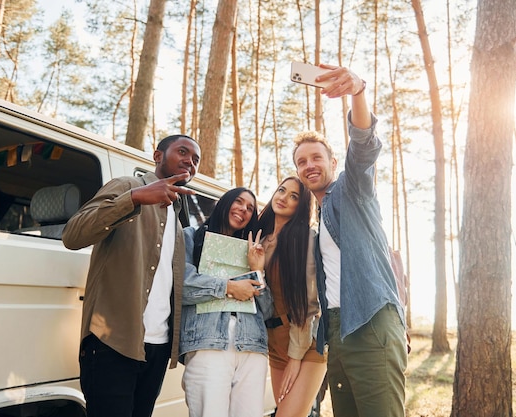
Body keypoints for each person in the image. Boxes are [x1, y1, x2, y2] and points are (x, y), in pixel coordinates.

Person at [292, 64, 408, 417]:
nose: (308, 165)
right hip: (337, 332)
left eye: (316, 158)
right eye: (300, 162)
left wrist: (357, 91)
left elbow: (363, 146)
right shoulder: (318, 223)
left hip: (371, 321)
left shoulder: (351, 189)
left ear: (332, 161)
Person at [62, 134, 201, 417]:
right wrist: (134, 198)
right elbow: (73, 235)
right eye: (183, 152)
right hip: (112, 342)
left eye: (196, 159)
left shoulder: (177, 215)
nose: (190, 161)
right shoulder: (128, 185)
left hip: (158, 348)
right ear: (158, 156)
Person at [180, 187, 273, 417]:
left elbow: (268, 310)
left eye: (250, 208)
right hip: (208, 342)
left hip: (252, 345)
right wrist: (228, 287)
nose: (244, 209)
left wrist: (257, 271)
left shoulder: (253, 250)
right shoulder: (191, 237)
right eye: (239, 202)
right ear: (225, 202)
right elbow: (182, 286)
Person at [256, 176, 327, 417]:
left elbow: (307, 302)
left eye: (294, 196)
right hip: (274, 342)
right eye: (281, 190)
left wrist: (296, 356)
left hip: (306, 343)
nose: (284, 198)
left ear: (301, 206)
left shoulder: (305, 239)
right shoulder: (260, 240)